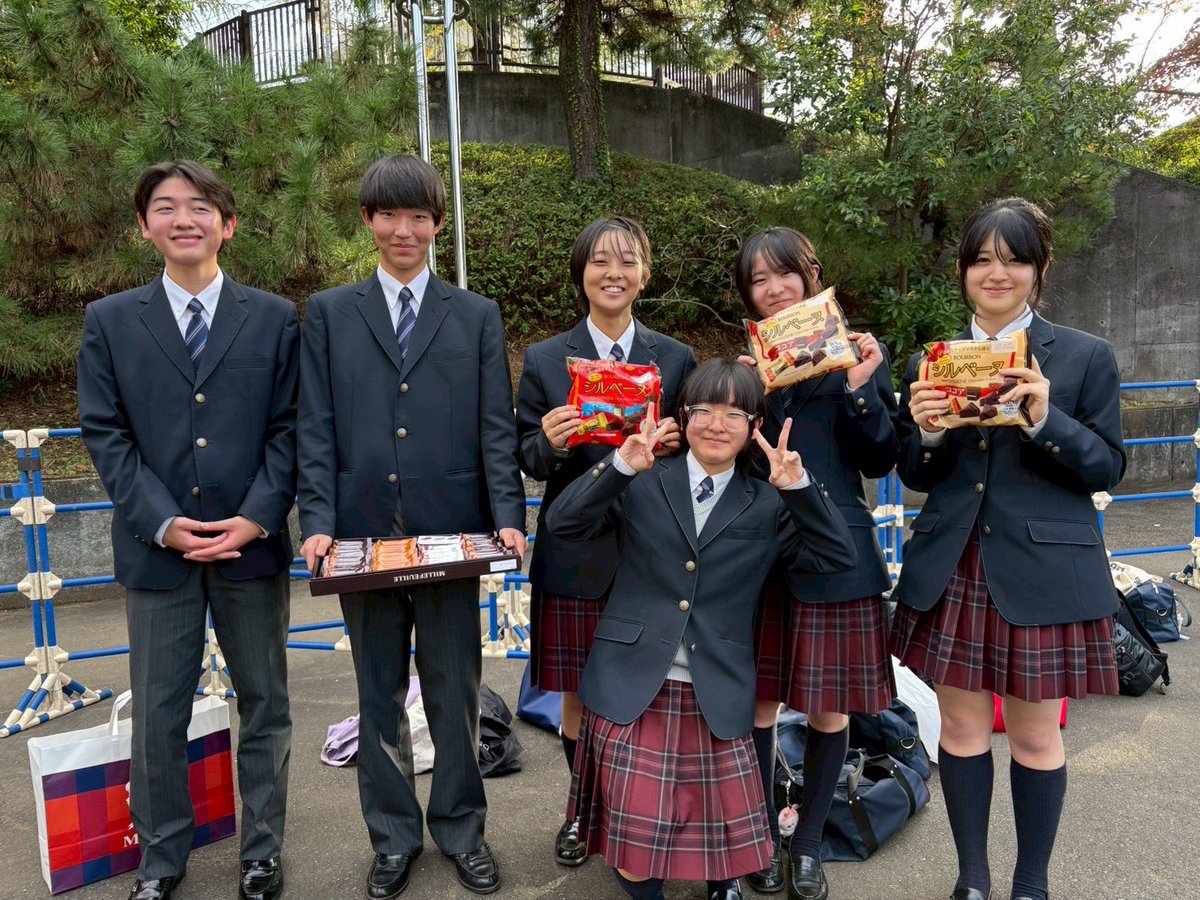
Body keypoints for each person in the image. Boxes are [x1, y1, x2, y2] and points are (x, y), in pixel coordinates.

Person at [296, 153, 526, 899]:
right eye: (389, 215)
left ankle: (461, 829)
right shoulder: (330, 313)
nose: (404, 230)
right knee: (376, 696)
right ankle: (392, 838)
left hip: (453, 532)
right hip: (360, 534)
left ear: (437, 223)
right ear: (367, 221)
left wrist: (510, 518)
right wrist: (318, 522)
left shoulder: (475, 314)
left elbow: (496, 425)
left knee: (455, 693)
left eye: (419, 216)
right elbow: (317, 427)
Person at [546, 358, 857, 900]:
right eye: (704, 410)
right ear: (683, 417)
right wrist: (619, 464)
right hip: (632, 681)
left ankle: (723, 885)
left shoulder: (766, 502)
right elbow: (563, 523)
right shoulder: (644, 480)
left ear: (755, 426)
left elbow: (836, 556)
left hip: (717, 684)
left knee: (722, 842)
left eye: (735, 413)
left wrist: (799, 486)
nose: (718, 424)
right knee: (637, 849)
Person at [891, 197, 1124, 900]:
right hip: (954, 562)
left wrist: (1045, 416)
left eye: (1014, 258)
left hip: (1044, 567)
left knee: (1034, 735)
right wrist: (926, 432)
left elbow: (1108, 467)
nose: (998, 272)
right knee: (961, 727)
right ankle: (972, 878)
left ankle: (1031, 883)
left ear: (1039, 268)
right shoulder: (932, 360)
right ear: (963, 270)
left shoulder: (1083, 357)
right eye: (982, 258)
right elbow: (915, 473)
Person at [78, 160, 297, 900]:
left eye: (200, 207)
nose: (184, 219)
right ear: (145, 227)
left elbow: (290, 428)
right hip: (157, 553)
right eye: (166, 208)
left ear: (226, 225)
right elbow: (106, 435)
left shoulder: (273, 317)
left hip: (250, 547)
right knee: (159, 714)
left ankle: (261, 853)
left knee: (265, 705)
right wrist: (165, 523)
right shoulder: (110, 321)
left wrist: (258, 518)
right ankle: (162, 859)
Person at [515, 215, 696, 867]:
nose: (612, 273)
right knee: (575, 694)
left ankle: (634, 814)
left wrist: (679, 445)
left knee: (646, 689)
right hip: (574, 546)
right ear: (580, 274)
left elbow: (701, 454)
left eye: (626, 261)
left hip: (652, 548)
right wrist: (550, 439)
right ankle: (581, 812)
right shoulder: (544, 360)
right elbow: (527, 457)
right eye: (599, 261)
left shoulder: (673, 358)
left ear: (645, 275)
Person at [734, 227, 898, 899]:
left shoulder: (855, 356)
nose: (774, 290)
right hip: (765, 554)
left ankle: (807, 847)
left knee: (831, 710)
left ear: (811, 277)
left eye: (784, 276)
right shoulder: (749, 370)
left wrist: (862, 386)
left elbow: (883, 459)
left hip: (840, 550)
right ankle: (759, 838)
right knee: (759, 705)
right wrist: (740, 399)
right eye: (759, 281)